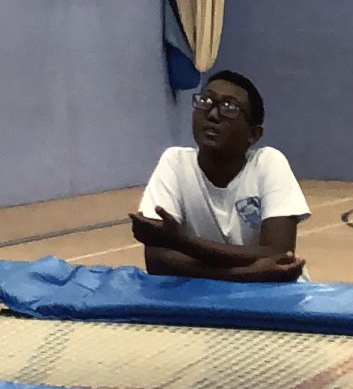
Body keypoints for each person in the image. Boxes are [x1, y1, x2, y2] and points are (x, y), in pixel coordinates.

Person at [130, 71, 308, 282]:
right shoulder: (175, 162)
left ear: (253, 134)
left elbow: (279, 255)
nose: (213, 114)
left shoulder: (268, 162)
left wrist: (182, 242)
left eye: (229, 107)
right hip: (208, 295)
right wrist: (250, 273)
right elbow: (157, 260)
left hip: (272, 296)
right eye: (205, 101)